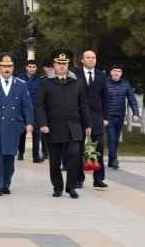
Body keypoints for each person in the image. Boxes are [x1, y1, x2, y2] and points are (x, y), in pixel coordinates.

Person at [36, 50, 92, 199]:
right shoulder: (45, 82)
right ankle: (57, 187)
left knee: (74, 157)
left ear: (68, 65)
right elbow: (39, 105)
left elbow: (84, 105)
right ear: (54, 64)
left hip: (74, 127)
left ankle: (71, 187)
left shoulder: (77, 82)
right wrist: (42, 123)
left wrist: (88, 124)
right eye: (59, 63)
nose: (62, 66)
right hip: (53, 127)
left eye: (64, 64)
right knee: (54, 161)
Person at [0, 53, 34, 196]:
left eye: (9, 66)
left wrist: (29, 122)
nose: (7, 69)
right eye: (4, 66)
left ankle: (6, 183)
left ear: (13, 68)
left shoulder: (21, 85)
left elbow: (27, 106)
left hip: (13, 127)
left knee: (10, 159)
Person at [72, 50, 109, 188]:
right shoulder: (75, 74)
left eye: (93, 57)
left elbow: (105, 98)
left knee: (96, 149)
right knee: (78, 149)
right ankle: (78, 178)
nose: (91, 59)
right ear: (82, 60)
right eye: (88, 57)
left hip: (97, 118)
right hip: (78, 117)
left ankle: (98, 179)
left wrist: (105, 117)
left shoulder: (101, 76)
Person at [106, 64, 140, 170]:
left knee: (115, 139)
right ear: (111, 72)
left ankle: (111, 161)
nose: (116, 73)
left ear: (121, 73)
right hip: (108, 116)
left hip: (120, 116)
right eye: (114, 71)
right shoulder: (105, 83)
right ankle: (114, 159)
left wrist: (135, 113)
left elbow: (132, 99)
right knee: (111, 138)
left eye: (119, 71)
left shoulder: (125, 84)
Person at [17, 60, 46, 163]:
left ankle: (35, 156)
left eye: (34, 67)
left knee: (37, 133)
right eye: (30, 66)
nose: (32, 69)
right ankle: (20, 153)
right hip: (23, 109)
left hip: (36, 109)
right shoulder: (19, 78)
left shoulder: (40, 79)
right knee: (22, 133)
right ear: (26, 67)